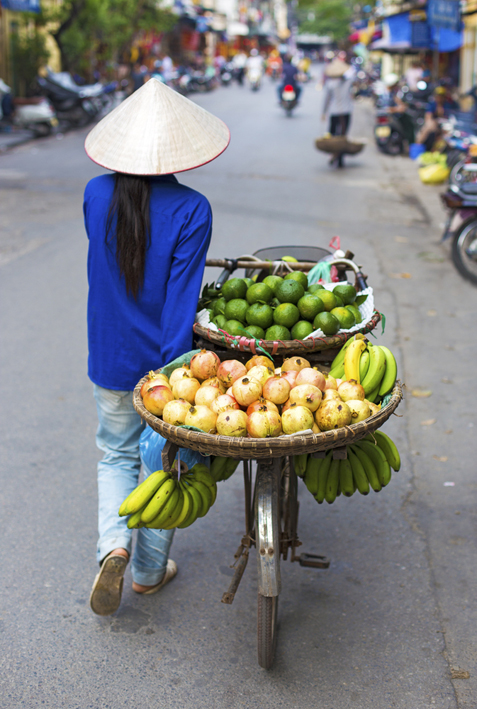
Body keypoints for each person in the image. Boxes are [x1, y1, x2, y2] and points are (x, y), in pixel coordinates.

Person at [84, 78, 230, 616]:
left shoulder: (95, 194)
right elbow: (180, 302)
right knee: (165, 463)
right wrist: (176, 373)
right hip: (166, 367)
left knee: (115, 453)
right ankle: (146, 572)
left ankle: (113, 547)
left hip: (108, 354)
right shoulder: (193, 209)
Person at [321, 57, 355, 167]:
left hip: (334, 112)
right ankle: (339, 157)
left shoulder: (330, 83)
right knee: (343, 136)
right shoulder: (347, 82)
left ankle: (335, 155)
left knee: (333, 136)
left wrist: (324, 112)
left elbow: (326, 100)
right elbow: (353, 75)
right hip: (346, 112)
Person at [381, 72, 416, 150]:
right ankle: (410, 145)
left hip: (394, 114)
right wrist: (397, 109)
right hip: (392, 116)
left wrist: (402, 105)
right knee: (408, 126)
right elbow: (386, 109)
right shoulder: (385, 94)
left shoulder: (391, 92)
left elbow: (397, 100)